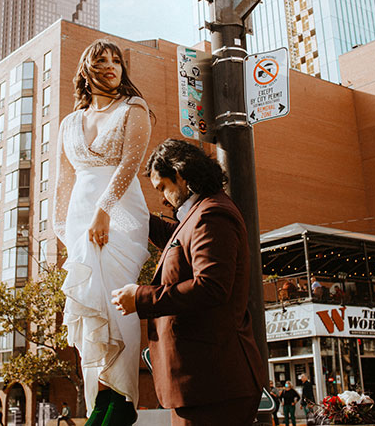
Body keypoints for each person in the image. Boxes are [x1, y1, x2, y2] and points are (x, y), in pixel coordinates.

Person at [111, 138, 265, 426]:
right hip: (203, 385)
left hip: (213, 385)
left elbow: (211, 286)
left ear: (180, 176)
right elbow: (170, 239)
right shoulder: (197, 216)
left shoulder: (212, 214)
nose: (163, 198)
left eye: (163, 188)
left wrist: (141, 298)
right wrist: (113, 205)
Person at [53, 39, 153, 426]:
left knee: (115, 301)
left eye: (116, 60)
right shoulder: (69, 122)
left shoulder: (134, 108)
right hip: (80, 219)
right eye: (102, 60)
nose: (111, 65)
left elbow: (131, 162)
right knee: (87, 305)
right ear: (86, 69)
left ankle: (123, 400)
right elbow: (62, 181)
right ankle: (100, 400)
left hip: (121, 214)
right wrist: (62, 230)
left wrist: (104, 212)